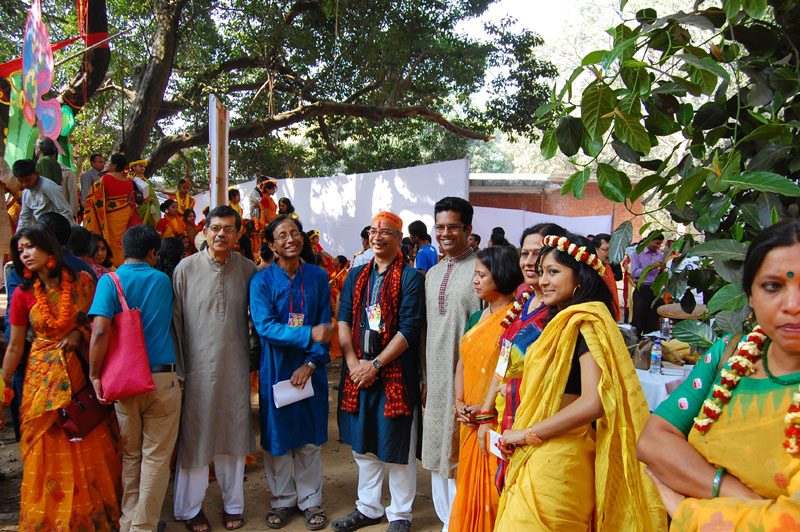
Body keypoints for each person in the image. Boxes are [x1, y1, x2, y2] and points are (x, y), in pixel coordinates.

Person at [494, 233, 665, 531]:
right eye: (542, 272)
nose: (543, 280)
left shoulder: (586, 325)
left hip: (561, 456)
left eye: (554, 272)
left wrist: (528, 434)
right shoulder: (560, 323)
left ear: (580, 277)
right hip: (544, 450)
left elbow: (593, 403)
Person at [637, 219, 800, 529]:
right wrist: (736, 494)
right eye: (773, 286)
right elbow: (653, 442)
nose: (792, 305)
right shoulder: (730, 354)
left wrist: (687, 510)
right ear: (750, 296)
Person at [1, 223, 121, 531]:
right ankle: (50, 517)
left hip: (79, 372)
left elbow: (100, 323)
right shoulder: (23, 295)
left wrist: (79, 334)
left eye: (30, 247)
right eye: (20, 250)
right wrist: (3, 381)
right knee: (45, 441)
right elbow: (15, 346)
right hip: (41, 378)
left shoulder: (82, 283)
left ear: (48, 248)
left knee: (84, 430)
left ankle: (91, 513)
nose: (25, 254)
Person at [332, 211, 424, 532]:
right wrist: (352, 363)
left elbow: (409, 329)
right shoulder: (357, 275)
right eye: (373, 231)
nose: (377, 236)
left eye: (385, 232)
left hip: (395, 372)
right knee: (364, 444)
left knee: (398, 445)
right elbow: (344, 319)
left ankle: (400, 514)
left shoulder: (411, 277)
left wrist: (375, 365)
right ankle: (368, 508)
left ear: (399, 238)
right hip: (358, 370)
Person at [87, 224, 181, 532]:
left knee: (131, 455)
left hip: (125, 381)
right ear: (153, 253)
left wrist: (94, 374)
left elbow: (100, 331)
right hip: (163, 378)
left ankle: (128, 520)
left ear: (122, 249)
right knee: (156, 457)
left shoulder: (109, 281)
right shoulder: (163, 280)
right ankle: (143, 526)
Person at [172, 205, 257, 532]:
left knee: (233, 434)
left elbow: (257, 319)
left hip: (234, 368)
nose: (221, 234)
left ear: (237, 234)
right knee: (195, 437)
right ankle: (189, 509)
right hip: (196, 370)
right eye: (216, 228)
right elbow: (176, 323)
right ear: (205, 231)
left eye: (228, 229)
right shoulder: (185, 269)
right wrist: (179, 370)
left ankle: (233, 505)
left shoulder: (247, 269)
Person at [250, 215, 335, 530]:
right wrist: (308, 333)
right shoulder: (261, 281)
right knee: (278, 438)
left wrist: (310, 364)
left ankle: (311, 500)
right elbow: (265, 327)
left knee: (309, 440)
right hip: (276, 368)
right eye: (282, 235)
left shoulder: (317, 276)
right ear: (272, 245)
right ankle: (282, 500)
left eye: (295, 233)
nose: (291, 239)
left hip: (310, 368)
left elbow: (325, 324)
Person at [477, 223, 567, 492]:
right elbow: (503, 362)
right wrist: (486, 414)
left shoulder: (561, 312)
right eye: (524, 253)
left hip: (540, 425)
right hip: (506, 416)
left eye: (537, 254)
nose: (529, 262)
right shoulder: (523, 301)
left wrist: (513, 391)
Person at [449, 246, 523, 532]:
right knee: (468, 488)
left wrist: (485, 409)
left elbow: (513, 374)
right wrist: (459, 403)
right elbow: (462, 365)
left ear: (501, 276)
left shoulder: (518, 321)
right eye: (475, 274)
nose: (475, 281)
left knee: (493, 493)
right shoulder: (476, 318)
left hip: (495, 421)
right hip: (468, 418)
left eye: (481, 275)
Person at [421, 196, 481, 531]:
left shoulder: (481, 271)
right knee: (437, 451)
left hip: (467, 380)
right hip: (436, 379)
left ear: (468, 229)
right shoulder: (432, 273)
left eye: (453, 227)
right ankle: (447, 521)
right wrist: (425, 378)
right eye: (440, 227)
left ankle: (462, 523)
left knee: (462, 450)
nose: (445, 234)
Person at [84, 153, 141, 267]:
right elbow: (131, 200)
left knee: (109, 241)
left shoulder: (106, 179)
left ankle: (110, 264)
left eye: (109, 162)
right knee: (121, 242)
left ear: (114, 165)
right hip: (125, 215)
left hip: (109, 216)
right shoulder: (129, 181)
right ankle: (121, 264)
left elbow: (94, 198)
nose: (107, 164)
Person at [13, 158, 75, 230]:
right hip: (43, 230)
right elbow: (24, 219)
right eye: (21, 181)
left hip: (58, 229)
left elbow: (65, 211)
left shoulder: (48, 186)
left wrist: (67, 231)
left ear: (37, 174)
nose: (24, 184)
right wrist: (19, 236)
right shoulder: (26, 193)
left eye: (27, 180)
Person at [630, 232, 665, 335]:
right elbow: (634, 273)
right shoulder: (637, 253)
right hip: (642, 290)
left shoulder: (659, 255)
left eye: (660, 244)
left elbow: (660, 276)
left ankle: (649, 341)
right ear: (650, 240)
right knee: (638, 320)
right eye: (657, 243)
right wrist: (650, 268)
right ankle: (635, 342)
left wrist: (662, 270)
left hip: (655, 290)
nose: (658, 246)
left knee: (652, 321)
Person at [593, 233, 621, 321]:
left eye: (612, 249)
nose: (610, 253)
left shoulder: (608, 267)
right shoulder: (591, 270)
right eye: (606, 249)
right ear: (596, 249)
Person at [129, 159, 160, 229]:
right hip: (136, 208)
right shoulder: (129, 179)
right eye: (140, 166)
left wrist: (151, 199)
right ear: (134, 167)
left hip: (147, 207)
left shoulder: (146, 181)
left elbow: (153, 196)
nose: (143, 168)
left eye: (144, 167)